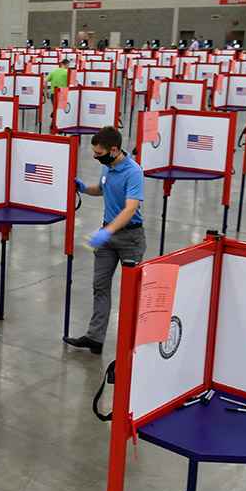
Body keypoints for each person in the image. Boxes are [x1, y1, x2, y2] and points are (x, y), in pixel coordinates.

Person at [64, 126, 146, 354]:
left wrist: (107, 231)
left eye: (99, 154)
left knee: (132, 293)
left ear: (114, 149)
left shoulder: (133, 172)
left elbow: (131, 209)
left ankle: (134, 345)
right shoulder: (108, 168)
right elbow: (101, 189)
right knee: (100, 287)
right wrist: (83, 188)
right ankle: (95, 338)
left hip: (130, 238)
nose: (95, 157)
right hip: (108, 236)